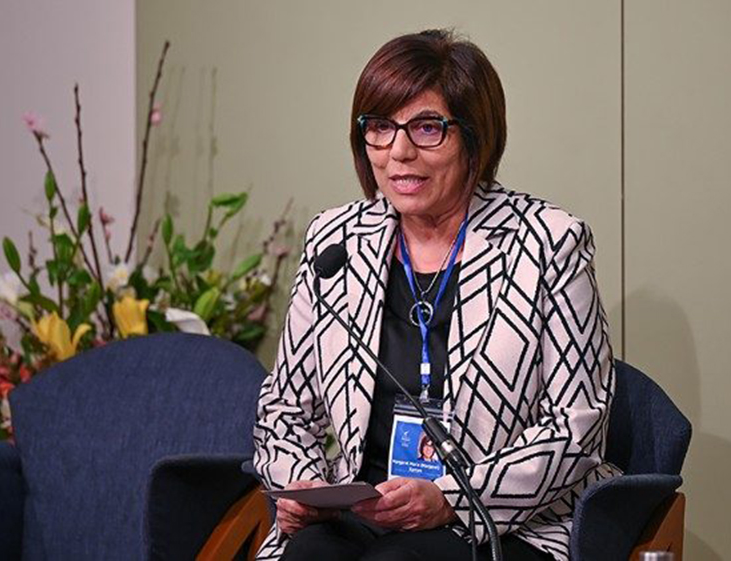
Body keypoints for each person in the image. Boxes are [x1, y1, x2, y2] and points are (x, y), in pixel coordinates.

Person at [253, 29, 618, 561]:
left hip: (501, 522)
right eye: (380, 127)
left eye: (427, 128)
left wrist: (452, 499)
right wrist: (304, 487)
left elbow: (578, 424)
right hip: (363, 510)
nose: (399, 152)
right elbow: (284, 406)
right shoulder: (337, 242)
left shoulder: (547, 243)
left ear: (474, 137)